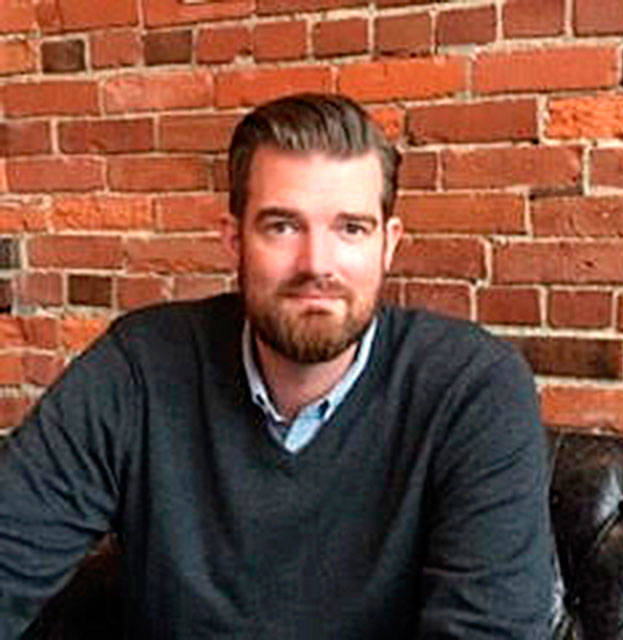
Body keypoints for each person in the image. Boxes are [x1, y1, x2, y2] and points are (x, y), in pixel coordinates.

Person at [0, 93, 553, 638]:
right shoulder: (140, 368)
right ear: (233, 239)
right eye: (283, 226)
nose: (317, 265)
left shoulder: (473, 390)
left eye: (351, 228)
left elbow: (489, 630)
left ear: (388, 244)